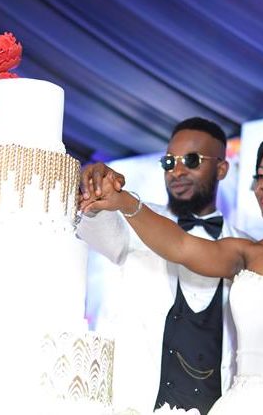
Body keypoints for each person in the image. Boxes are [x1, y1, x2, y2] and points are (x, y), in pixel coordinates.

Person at [81, 129, 263, 414]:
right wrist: (123, 200)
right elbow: (181, 246)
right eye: (261, 175)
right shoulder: (245, 253)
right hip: (243, 402)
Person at [77, 117, 250, 414]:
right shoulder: (134, 221)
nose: (177, 172)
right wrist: (94, 191)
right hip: (138, 403)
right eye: (169, 162)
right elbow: (95, 225)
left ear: (221, 169)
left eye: (192, 160)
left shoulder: (245, 247)